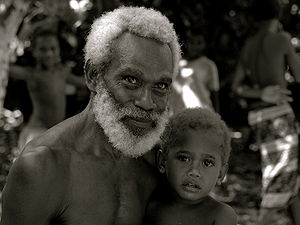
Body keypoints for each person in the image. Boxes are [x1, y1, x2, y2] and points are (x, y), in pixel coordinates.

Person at [0, 6, 181, 225]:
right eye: (131, 80)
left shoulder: (163, 165)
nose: (147, 102)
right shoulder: (43, 167)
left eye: (161, 85)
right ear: (93, 76)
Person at [231, 0, 300, 224]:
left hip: (259, 118)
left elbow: (236, 88)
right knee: (280, 177)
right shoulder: (281, 39)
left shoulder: (249, 45)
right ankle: (265, 220)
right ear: (278, 15)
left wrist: (261, 93)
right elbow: (299, 77)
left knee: (287, 175)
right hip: (278, 115)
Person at [144, 107, 237, 225]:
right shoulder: (152, 208)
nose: (194, 171)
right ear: (162, 161)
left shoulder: (221, 215)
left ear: (221, 173)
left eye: (207, 163)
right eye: (184, 158)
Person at [8, 26, 86, 150]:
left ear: (59, 50)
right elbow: (7, 66)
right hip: (36, 131)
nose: (49, 53)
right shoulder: (32, 74)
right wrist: (21, 36)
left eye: (53, 49)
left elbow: (85, 83)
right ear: (34, 52)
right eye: (43, 49)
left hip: (55, 131)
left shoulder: (62, 73)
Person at [170, 30, 220, 114]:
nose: (195, 46)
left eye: (199, 43)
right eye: (192, 42)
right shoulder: (176, 63)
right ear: (186, 43)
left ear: (205, 45)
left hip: (202, 113)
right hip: (178, 114)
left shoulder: (209, 65)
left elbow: (214, 93)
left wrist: (216, 116)